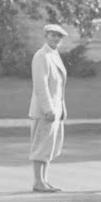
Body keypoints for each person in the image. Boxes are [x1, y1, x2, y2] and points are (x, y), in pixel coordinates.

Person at [28, 23, 67, 192]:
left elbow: (59, 86)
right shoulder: (41, 56)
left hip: (56, 109)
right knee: (41, 145)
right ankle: (38, 181)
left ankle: (44, 180)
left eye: (59, 36)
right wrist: (48, 109)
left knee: (49, 146)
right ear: (46, 36)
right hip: (45, 110)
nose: (56, 39)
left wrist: (62, 108)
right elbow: (40, 85)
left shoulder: (55, 55)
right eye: (53, 35)